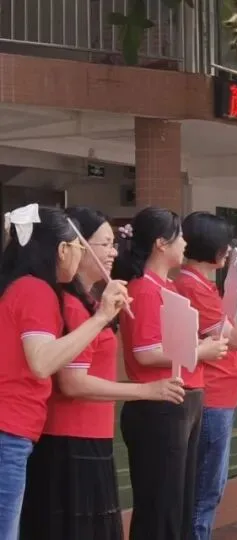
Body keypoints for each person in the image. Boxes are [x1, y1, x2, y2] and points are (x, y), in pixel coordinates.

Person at [19, 207, 182, 540]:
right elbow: (72, 382)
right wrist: (148, 391)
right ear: (76, 249)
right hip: (70, 439)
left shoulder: (91, 303)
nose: (113, 253)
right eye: (104, 244)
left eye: (113, 244)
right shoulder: (72, 305)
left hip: (91, 435)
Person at [0, 204, 128, 537]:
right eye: (76, 247)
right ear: (62, 249)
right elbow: (42, 361)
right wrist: (101, 318)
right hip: (9, 427)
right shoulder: (36, 291)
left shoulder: (21, 287)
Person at [114, 207, 229, 540]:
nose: (185, 244)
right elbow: (145, 353)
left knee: (178, 504)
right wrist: (200, 351)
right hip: (159, 405)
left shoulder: (165, 286)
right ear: (161, 244)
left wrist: (202, 347)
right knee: (161, 508)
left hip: (182, 400)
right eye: (178, 237)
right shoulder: (145, 289)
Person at [174, 211, 237, 540]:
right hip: (213, 398)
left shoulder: (198, 283)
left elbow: (222, 336)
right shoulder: (194, 285)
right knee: (206, 491)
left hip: (217, 395)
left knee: (206, 490)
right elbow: (231, 338)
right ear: (218, 252)